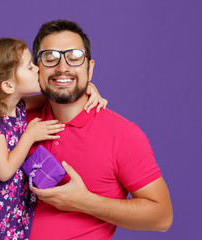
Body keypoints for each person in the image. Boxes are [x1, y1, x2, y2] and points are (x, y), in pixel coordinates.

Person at [0, 38, 107, 240]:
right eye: (29, 67)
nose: (38, 69)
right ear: (8, 86)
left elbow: (55, 95)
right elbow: (3, 171)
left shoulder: (18, 107)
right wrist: (29, 136)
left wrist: (87, 87)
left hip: (3, 216)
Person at [26, 19, 173, 239]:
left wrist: (85, 202)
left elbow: (162, 217)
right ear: (36, 69)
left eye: (75, 57)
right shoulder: (18, 122)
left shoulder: (122, 135)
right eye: (50, 58)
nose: (63, 67)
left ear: (90, 68)